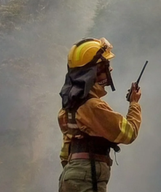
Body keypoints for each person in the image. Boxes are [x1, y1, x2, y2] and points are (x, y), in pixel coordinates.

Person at [58, 38, 142, 192]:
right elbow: (129, 133)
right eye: (106, 66)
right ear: (94, 71)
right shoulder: (92, 106)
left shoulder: (69, 108)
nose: (110, 70)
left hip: (70, 176)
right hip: (87, 178)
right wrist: (134, 104)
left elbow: (65, 153)